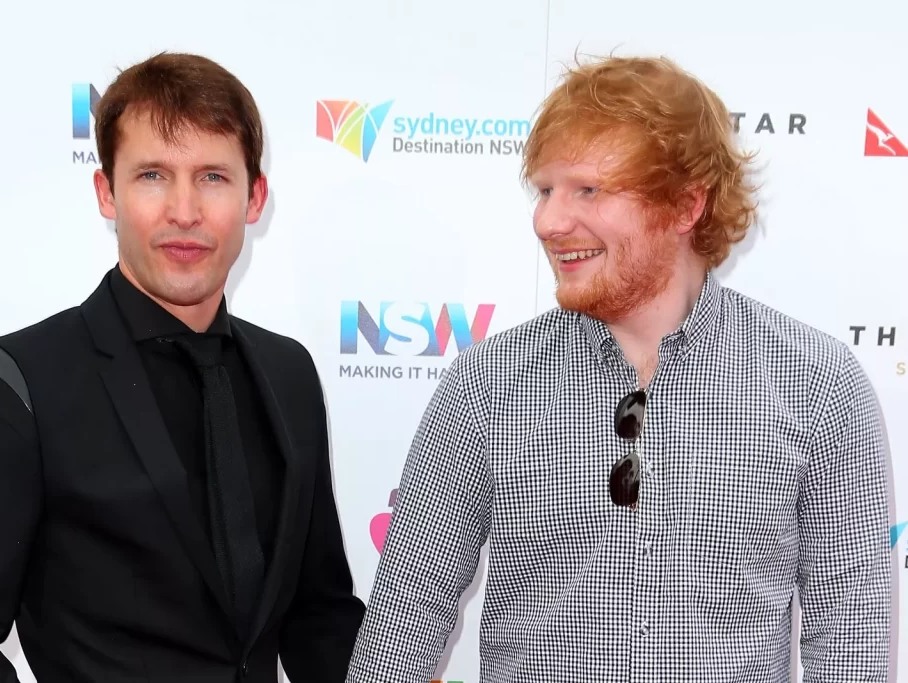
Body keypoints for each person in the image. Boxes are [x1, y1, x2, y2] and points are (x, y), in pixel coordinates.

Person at [345, 55, 891, 683]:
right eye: (545, 190)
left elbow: (852, 645)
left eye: (588, 190)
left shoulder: (817, 382)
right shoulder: (488, 381)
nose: (548, 222)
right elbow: (403, 627)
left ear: (685, 205)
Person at [0, 52, 365, 683]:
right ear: (105, 192)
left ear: (254, 197)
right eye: (151, 175)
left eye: (212, 177)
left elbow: (320, 618)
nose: (184, 211)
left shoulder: (289, 374)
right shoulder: (17, 382)